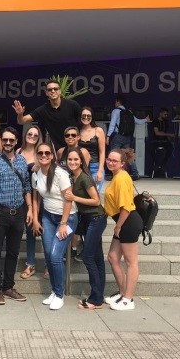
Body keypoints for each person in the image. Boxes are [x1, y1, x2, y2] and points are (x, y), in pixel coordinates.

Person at [0, 127, 33, 305]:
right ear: (1, 141)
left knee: (13, 252)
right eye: (5, 140)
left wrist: (30, 208)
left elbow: (27, 186)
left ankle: (8, 286)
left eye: (11, 140)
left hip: (18, 211)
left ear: (16, 141)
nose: (8, 143)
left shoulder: (22, 161)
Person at [31, 142, 77, 310]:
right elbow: (36, 197)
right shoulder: (36, 174)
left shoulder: (60, 174)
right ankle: (54, 290)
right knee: (48, 256)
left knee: (56, 256)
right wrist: (35, 219)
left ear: (52, 156)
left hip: (67, 218)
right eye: (40, 153)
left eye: (47, 153)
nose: (44, 155)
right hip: (48, 217)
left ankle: (59, 295)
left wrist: (63, 224)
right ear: (37, 155)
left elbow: (69, 199)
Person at [63, 147, 107, 310]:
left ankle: (95, 299)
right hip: (89, 219)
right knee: (97, 258)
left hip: (96, 218)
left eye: (76, 159)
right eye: (70, 159)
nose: (72, 162)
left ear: (81, 161)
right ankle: (98, 296)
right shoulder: (73, 177)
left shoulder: (84, 178)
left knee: (88, 257)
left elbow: (96, 201)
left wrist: (74, 197)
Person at [104, 148, 144, 311]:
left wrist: (118, 226)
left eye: (115, 161)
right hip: (124, 221)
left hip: (128, 222)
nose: (110, 162)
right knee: (113, 257)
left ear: (122, 163)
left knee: (131, 262)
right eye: (109, 159)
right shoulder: (118, 176)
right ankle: (122, 293)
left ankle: (128, 299)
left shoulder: (121, 178)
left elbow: (126, 207)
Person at [12, 80, 81, 150]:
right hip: (58, 151)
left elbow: (83, 122)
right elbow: (21, 121)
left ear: (60, 91)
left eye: (55, 89)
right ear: (46, 93)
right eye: (50, 89)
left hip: (76, 147)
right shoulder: (43, 110)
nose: (53, 91)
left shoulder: (72, 105)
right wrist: (20, 114)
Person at [16, 125, 45, 280]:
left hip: (39, 197)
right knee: (29, 231)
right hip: (22, 197)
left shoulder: (41, 153)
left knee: (43, 230)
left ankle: (48, 264)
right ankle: (30, 263)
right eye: (30, 134)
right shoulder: (18, 152)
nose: (32, 136)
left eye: (35, 135)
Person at [106, 96, 148, 180]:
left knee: (114, 154)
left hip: (118, 136)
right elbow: (138, 121)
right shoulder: (129, 112)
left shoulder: (116, 111)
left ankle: (114, 174)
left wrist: (108, 135)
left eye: (115, 102)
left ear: (118, 101)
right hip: (127, 137)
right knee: (128, 155)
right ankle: (135, 173)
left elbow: (112, 124)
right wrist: (146, 119)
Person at [78, 106, 106, 190]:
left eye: (88, 116)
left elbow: (102, 152)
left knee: (94, 193)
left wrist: (100, 171)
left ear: (92, 117)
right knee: (83, 194)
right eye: (84, 115)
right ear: (80, 117)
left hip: (95, 166)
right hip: (81, 166)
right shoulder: (77, 131)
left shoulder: (98, 130)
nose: (86, 117)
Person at [151, 108, 176, 177]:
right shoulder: (155, 121)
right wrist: (169, 134)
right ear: (160, 113)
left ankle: (162, 164)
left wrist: (169, 139)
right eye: (165, 114)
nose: (166, 115)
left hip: (164, 141)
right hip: (156, 140)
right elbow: (157, 133)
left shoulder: (166, 121)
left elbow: (164, 132)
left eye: (167, 114)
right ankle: (157, 163)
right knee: (151, 148)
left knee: (171, 148)